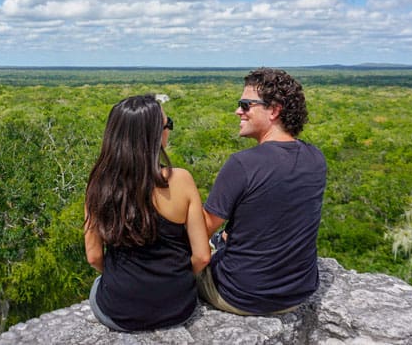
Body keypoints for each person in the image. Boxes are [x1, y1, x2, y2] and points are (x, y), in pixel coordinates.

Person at [197, 67, 327, 315]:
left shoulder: (243, 164)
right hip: (299, 293)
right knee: (221, 238)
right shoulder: (316, 158)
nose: (238, 111)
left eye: (245, 105)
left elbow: (199, 230)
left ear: (274, 110)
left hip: (241, 296)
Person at [84, 94, 211, 332]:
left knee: (98, 286)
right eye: (167, 124)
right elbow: (202, 256)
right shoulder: (181, 180)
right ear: (155, 134)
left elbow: (93, 257)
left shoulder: (99, 184)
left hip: (118, 311)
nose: (169, 130)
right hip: (177, 308)